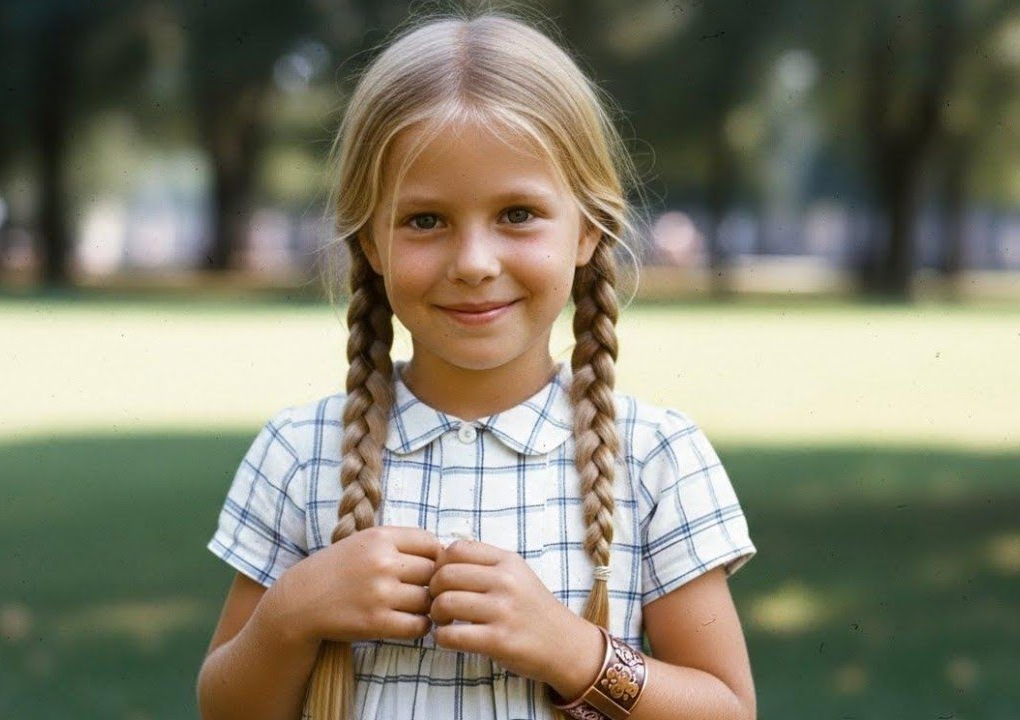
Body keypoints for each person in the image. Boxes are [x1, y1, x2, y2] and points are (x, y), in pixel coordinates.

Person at [196, 7, 757, 720]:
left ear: (588, 228)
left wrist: (572, 650)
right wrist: (291, 615)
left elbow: (729, 711)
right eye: (425, 220)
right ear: (369, 242)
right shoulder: (299, 454)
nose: (473, 263)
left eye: (518, 214)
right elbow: (225, 711)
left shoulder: (656, 459)